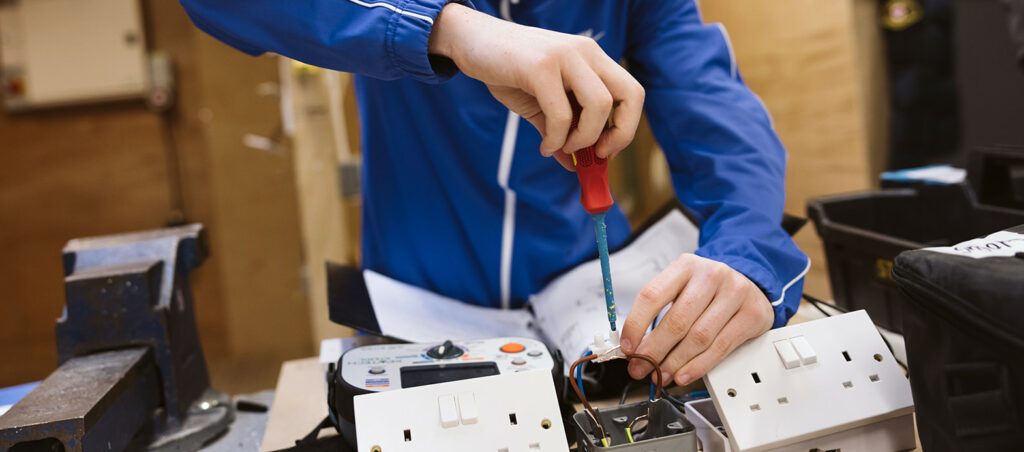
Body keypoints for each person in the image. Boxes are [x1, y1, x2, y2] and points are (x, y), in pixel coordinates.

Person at [179, 0, 809, 386]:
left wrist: (747, 256)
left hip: (588, 302)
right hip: (422, 312)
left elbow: (716, 114)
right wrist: (445, 28)